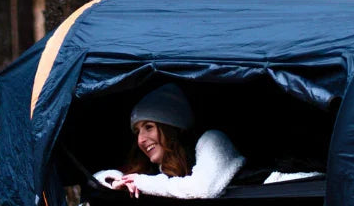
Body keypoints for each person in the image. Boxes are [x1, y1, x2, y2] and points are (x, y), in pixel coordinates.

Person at [94, 84, 245, 199]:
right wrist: (115, 182)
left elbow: (202, 188)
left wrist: (142, 182)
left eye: (148, 127)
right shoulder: (157, 168)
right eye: (137, 132)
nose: (141, 139)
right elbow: (98, 178)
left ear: (171, 127)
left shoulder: (212, 140)